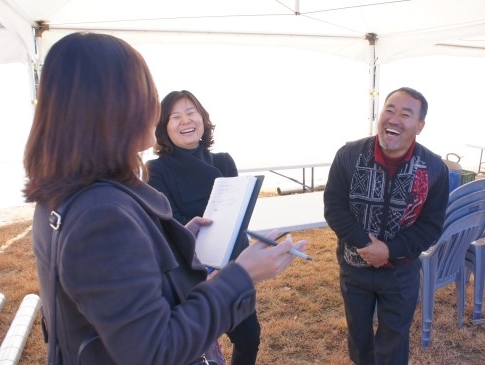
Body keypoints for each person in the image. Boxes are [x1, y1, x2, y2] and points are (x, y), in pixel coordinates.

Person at [23, 31, 308, 365]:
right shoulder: (101, 215)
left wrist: (176, 239)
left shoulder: (67, 193)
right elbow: (155, 350)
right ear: (113, 106)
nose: (154, 107)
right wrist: (242, 275)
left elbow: (118, 289)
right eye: (146, 92)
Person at [323, 87, 449, 364]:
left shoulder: (433, 169)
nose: (394, 118)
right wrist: (366, 244)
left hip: (401, 273)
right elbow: (334, 207)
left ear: (420, 126)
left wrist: (389, 251)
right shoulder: (349, 155)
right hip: (355, 266)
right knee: (359, 335)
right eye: (389, 110)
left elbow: (430, 226)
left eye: (405, 114)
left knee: (394, 339)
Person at [146, 90, 261, 365]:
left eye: (191, 112)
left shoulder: (223, 161)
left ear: (202, 118)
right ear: (164, 128)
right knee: (195, 348)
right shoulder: (156, 169)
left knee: (249, 337)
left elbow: (238, 217)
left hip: (230, 267)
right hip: (189, 274)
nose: (185, 120)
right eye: (175, 116)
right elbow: (168, 225)